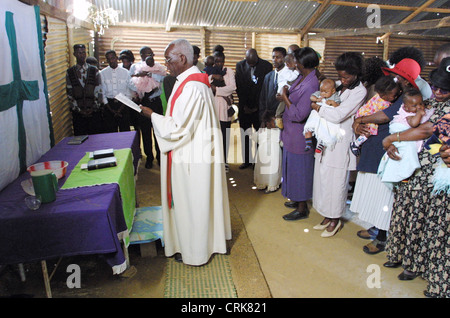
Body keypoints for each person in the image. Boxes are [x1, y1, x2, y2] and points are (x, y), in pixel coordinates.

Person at [139, 38, 231, 266]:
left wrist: (151, 115)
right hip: (195, 150)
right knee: (197, 202)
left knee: (192, 203)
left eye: (168, 59)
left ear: (182, 58)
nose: (166, 64)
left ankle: (195, 252)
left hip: (190, 155)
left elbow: (177, 128)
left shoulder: (191, 87)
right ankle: (198, 243)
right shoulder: (192, 82)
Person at [382, 57, 450, 297]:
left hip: (437, 174)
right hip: (417, 167)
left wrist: (392, 139)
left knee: (429, 223)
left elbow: (427, 130)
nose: (439, 92)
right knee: (409, 213)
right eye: (436, 86)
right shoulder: (429, 102)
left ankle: (423, 270)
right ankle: (406, 260)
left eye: (445, 89)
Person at [350, 58, 423, 254]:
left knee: (383, 195)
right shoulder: (391, 89)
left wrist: (360, 119)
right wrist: (358, 123)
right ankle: (376, 226)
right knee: (373, 192)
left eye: (397, 75)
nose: (392, 76)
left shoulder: (405, 97)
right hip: (373, 148)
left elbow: (385, 116)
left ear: (406, 81)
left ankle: (382, 237)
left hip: (385, 151)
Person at [311, 52, 367, 237]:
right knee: (323, 178)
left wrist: (319, 108)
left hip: (341, 142)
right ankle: (326, 215)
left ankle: (335, 219)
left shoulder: (359, 91)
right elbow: (318, 96)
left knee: (336, 182)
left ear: (357, 73)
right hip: (326, 139)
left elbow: (337, 115)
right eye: (340, 75)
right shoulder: (338, 86)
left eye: (346, 76)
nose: (342, 80)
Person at [278, 47, 319, 221]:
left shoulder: (312, 84)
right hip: (291, 134)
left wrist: (285, 97)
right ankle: (296, 199)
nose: (293, 64)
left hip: (300, 135)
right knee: (292, 169)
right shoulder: (303, 77)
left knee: (300, 171)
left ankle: (302, 208)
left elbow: (299, 114)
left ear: (303, 63)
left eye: (296, 61)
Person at [377, 89, 434, 188]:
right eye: (415, 106)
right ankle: (404, 173)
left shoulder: (417, 110)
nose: (419, 107)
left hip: (405, 136)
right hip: (401, 134)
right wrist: (419, 114)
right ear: (406, 108)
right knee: (406, 153)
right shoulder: (408, 115)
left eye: (421, 103)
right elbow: (414, 124)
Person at [235, 49, 273, 169]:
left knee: (259, 135)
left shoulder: (266, 66)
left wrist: (257, 106)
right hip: (244, 107)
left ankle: (258, 161)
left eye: (253, 63)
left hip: (259, 107)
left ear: (257, 58)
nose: (251, 65)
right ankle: (247, 160)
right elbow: (239, 86)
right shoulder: (240, 66)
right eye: (249, 63)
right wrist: (245, 105)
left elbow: (265, 88)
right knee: (245, 134)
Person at [130, 46, 166, 169]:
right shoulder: (135, 67)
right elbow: (130, 82)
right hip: (143, 101)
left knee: (158, 130)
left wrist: (150, 74)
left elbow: (163, 78)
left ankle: (160, 156)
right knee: (145, 131)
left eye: (151, 54)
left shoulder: (158, 67)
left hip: (156, 102)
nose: (149, 56)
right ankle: (149, 157)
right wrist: (138, 75)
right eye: (146, 54)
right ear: (141, 56)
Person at [350, 76, 400, 156]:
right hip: (367, 115)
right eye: (393, 96)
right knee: (368, 131)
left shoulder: (379, 96)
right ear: (384, 95)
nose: (395, 97)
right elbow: (383, 116)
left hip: (364, 113)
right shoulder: (384, 103)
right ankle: (356, 144)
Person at [66, 44, 103, 136]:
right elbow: (70, 93)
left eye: (83, 53)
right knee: (80, 138)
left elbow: (99, 90)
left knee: (95, 138)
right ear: (74, 54)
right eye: (79, 53)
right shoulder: (70, 72)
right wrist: (78, 110)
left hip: (94, 112)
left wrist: (94, 107)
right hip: (78, 113)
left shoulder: (94, 70)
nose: (81, 55)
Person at [209, 50, 236, 172]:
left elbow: (232, 88)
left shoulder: (228, 71)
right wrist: (213, 80)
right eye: (216, 61)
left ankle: (224, 161)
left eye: (221, 61)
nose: (219, 64)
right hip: (213, 106)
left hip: (224, 108)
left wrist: (217, 90)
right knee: (213, 135)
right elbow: (206, 86)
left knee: (224, 135)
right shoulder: (209, 71)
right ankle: (214, 161)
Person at [100, 50, 136, 133]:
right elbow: (102, 92)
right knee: (110, 132)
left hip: (123, 105)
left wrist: (120, 109)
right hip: (109, 106)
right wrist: (110, 109)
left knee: (125, 132)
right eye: (109, 59)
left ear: (116, 58)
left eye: (113, 58)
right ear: (106, 60)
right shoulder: (102, 73)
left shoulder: (126, 73)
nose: (111, 61)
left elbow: (129, 92)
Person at [304, 78, 341, 153]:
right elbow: (311, 97)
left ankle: (321, 144)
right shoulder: (319, 94)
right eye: (321, 91)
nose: (323, 94)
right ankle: (308, 142)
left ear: (333, 91)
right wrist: (317, 99)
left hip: (326, 115)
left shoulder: (335, 96)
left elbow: (338, 106)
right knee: (308, 127)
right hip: (316, 113)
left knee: (325, 129)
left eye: (326, 92)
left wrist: (332, 102)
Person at [252, 111, 282, 194]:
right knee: (262, 168)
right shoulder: (261, 131)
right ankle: (262, 184)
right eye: (274, 122)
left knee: (273, 168)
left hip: (274, 156)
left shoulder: (278, 132)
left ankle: (272, 185)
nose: (276, 123)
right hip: (263, 154)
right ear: (268, 123)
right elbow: (255, 137)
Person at [259, 47, 288, 120]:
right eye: (273, 57)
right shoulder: (268, 76)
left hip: (282, 117)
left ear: (285, 58)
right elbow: (263, 98)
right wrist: (263, 117)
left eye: (278, 57)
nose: (274, 60)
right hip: (269, 118)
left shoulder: (289, 75)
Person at [274, 53, 299, 129]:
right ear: (288, 64)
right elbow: (291, 78)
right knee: (283, 103)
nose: (296, 65)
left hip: (286, 89)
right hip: (282, 90)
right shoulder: (285, 71)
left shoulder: (289, 69)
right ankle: (278, 116)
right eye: (294, 64)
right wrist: (297, 71)